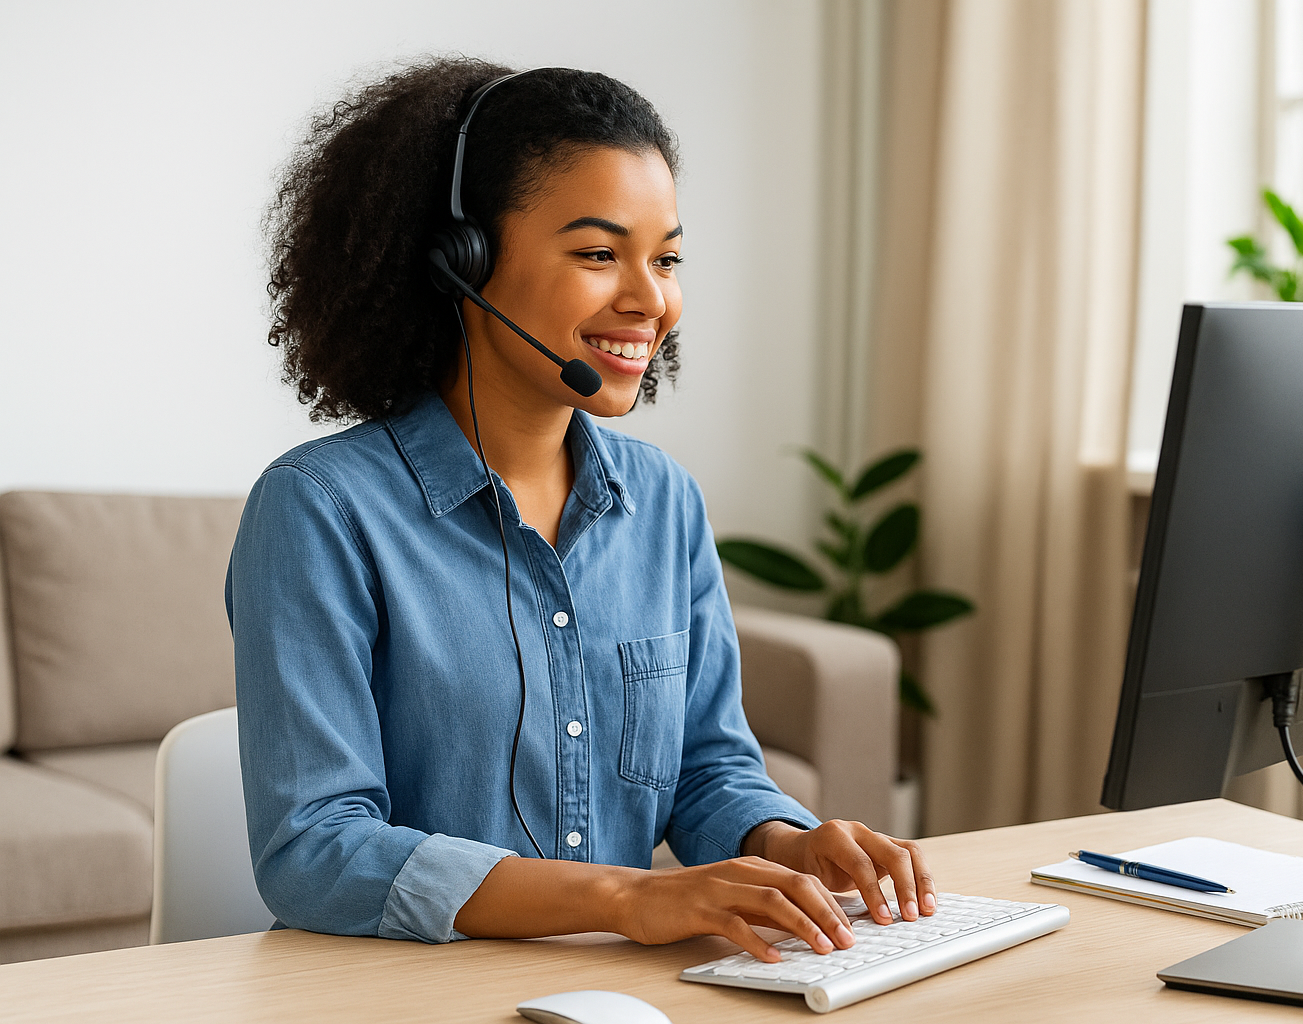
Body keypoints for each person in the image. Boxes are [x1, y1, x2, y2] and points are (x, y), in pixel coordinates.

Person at [228, 58, 934, 963]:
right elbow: (314, 850)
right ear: (462, 262)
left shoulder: (664, 502)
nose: (649, 300)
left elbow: (705, 769)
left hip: (623, 995)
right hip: (404, 992)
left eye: (667, 258)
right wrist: (624, 897)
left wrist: (782, 845)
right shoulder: (319, 510)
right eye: (601, 253)